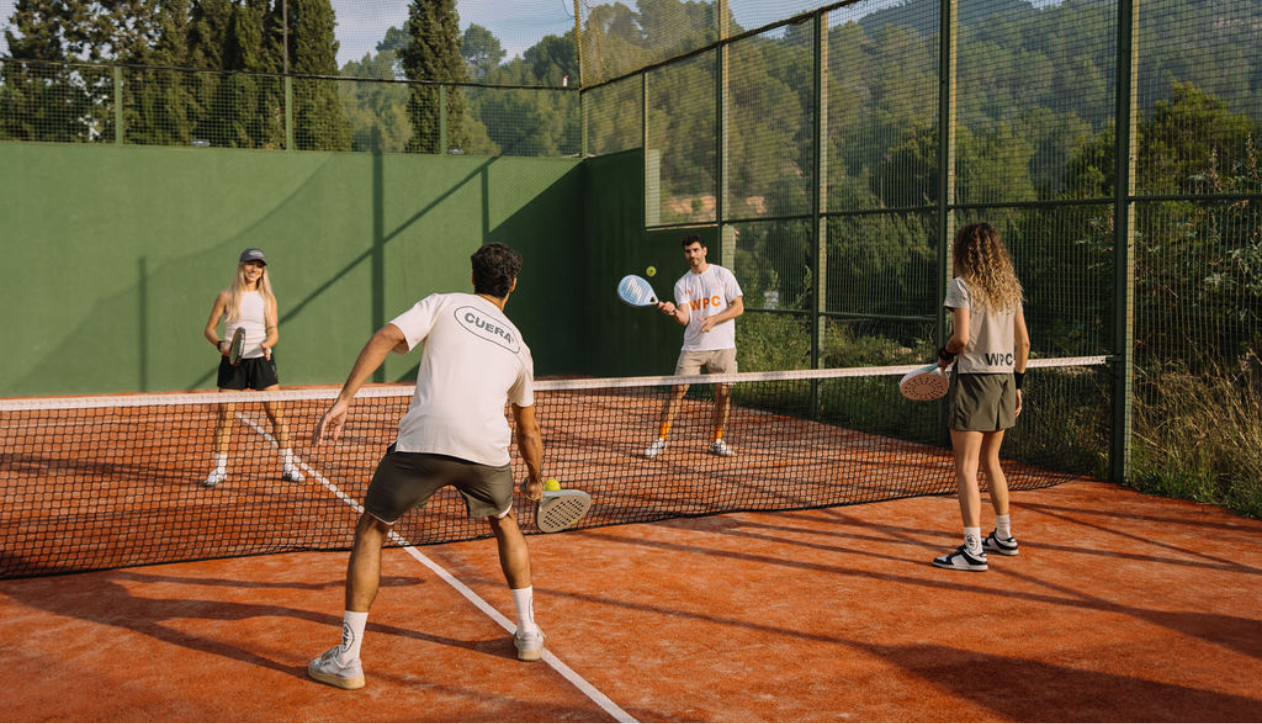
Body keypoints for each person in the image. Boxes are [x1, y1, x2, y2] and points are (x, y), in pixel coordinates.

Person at [307, 242, 546, 690]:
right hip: (486, 451)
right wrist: (534, 478)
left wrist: (344, 400)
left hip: (424, 443)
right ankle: (529, 632)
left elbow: (386, 337)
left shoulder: (443, 303)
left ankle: (348, 659)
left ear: (472, 278)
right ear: (513, 285)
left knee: (372, 528)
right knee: (506, 522)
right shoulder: (519, 345)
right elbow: (528, 431)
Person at [932, 222, 1030, 572]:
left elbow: (961, 339)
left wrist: (944, 355)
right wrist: (1016, 385)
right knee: (992, 462)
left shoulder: (961, 285)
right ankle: (1003, 536)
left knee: (966, 467)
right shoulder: (1009, 288)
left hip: (974, 380)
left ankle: (973, 550)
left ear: (963, 251)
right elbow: (1024, 343)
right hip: (1004, 380)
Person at [201, 248, 304, 487]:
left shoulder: (268, 299)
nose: (254, 269)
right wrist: (221, 345)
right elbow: (209, 329)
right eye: (250, 264)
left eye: (259, 266)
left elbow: (274, 332)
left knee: (276, 415)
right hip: (232, 362)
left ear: (263, 271)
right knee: (225, 417)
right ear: (241, 267)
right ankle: (220, 469)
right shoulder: (226, 296)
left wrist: (268, 344)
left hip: (261, 361)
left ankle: (288, 466)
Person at [645, 234, 745, 458]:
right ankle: (661, 440)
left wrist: (715, 319)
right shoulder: (682, 284)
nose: (692, 255)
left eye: (696, 250)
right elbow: (684, 318)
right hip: (693, 348)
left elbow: (739, 307)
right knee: (677, 392)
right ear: (685, 254)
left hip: (723, 347)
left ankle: (717, 441)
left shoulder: (722, 275)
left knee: (723, 394)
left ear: (704, 251)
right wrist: (673, 311)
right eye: (688, 251)